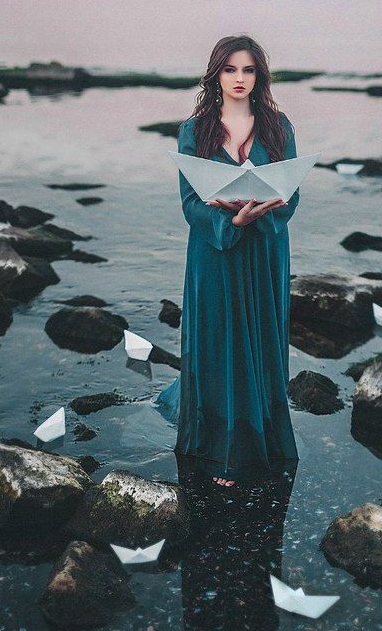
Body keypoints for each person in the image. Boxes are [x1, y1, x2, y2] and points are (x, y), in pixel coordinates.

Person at [156, 34, 301, 487]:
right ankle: (221, 452)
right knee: (219, 346)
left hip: (264, 252)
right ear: (216, 73)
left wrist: (262, 213)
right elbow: (190, 206)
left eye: (249, 70)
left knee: (262, 342)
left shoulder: (279, 126)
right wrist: (229, 222)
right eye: (231, 69)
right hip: (214, 256)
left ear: (260, 76)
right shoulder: (193, 131)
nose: (240, 79)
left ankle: (267, 441)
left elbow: (291, 195)